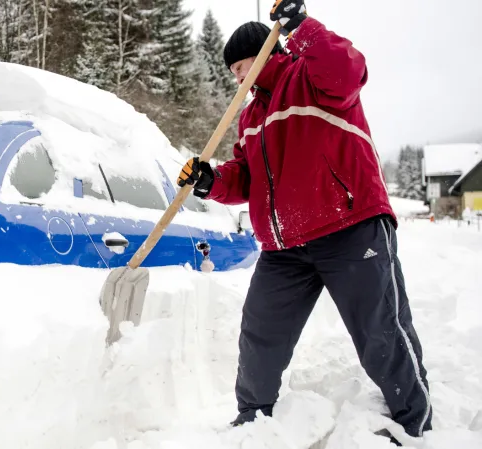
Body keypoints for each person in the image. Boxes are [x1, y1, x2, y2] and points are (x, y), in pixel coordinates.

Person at [176, 0, 432, 441]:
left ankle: (415, 422)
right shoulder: (252, 115)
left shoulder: (310, 76)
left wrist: (304, 28)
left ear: (268, 53)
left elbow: (349, 70)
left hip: (349, 227)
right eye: (232, 71)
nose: (237, 77)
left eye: (241, 66)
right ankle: (252, 418)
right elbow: (247, 176)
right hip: (284, 247)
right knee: (260, 333)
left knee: (380, 333)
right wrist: (211, 181)